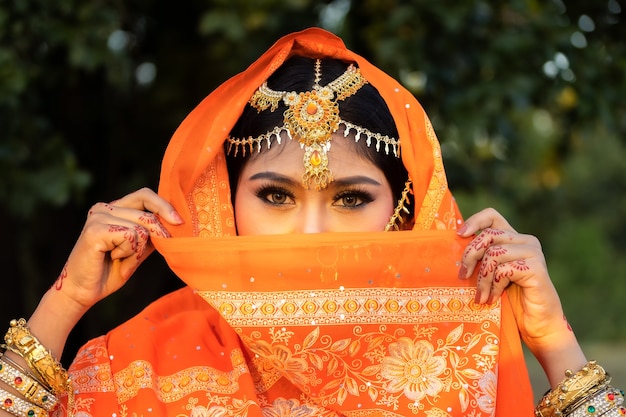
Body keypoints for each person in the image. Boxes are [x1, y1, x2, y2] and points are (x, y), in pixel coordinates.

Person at [0, 28, 622, 417]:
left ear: (404, 213)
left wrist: (552, 342)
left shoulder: (460, 366)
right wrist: (67, 301)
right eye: (275, 197)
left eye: (351, 199)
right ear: (225, 203)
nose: (312, 234)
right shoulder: (135, 369)